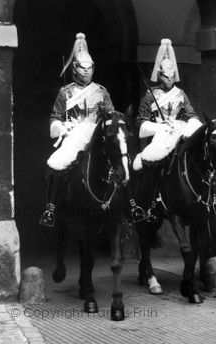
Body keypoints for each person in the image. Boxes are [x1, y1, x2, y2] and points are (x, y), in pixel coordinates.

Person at [39, 33, 144, 227]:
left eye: (89, 68)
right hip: (74, 135)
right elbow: (55, 116)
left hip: (99, 134)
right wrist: (61, 126)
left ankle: (132, 205)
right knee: (56, 163)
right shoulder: (66, 92)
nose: (86, 72)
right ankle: (51, 208)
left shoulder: (101, 91)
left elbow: (111, 114)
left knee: (123, 159)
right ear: (75, 68)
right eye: (82, 68)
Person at [132, 38, 203, 222]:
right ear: (160, 74)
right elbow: (141, 122)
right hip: (158, 136)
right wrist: (159, 127)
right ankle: (149, 202)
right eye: (165, 76)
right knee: (150, 163)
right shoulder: (151, 95)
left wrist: (190, 126)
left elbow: (192, 114)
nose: (169, 80)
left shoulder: (180, 94)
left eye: (172, 76)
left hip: (177, 131)